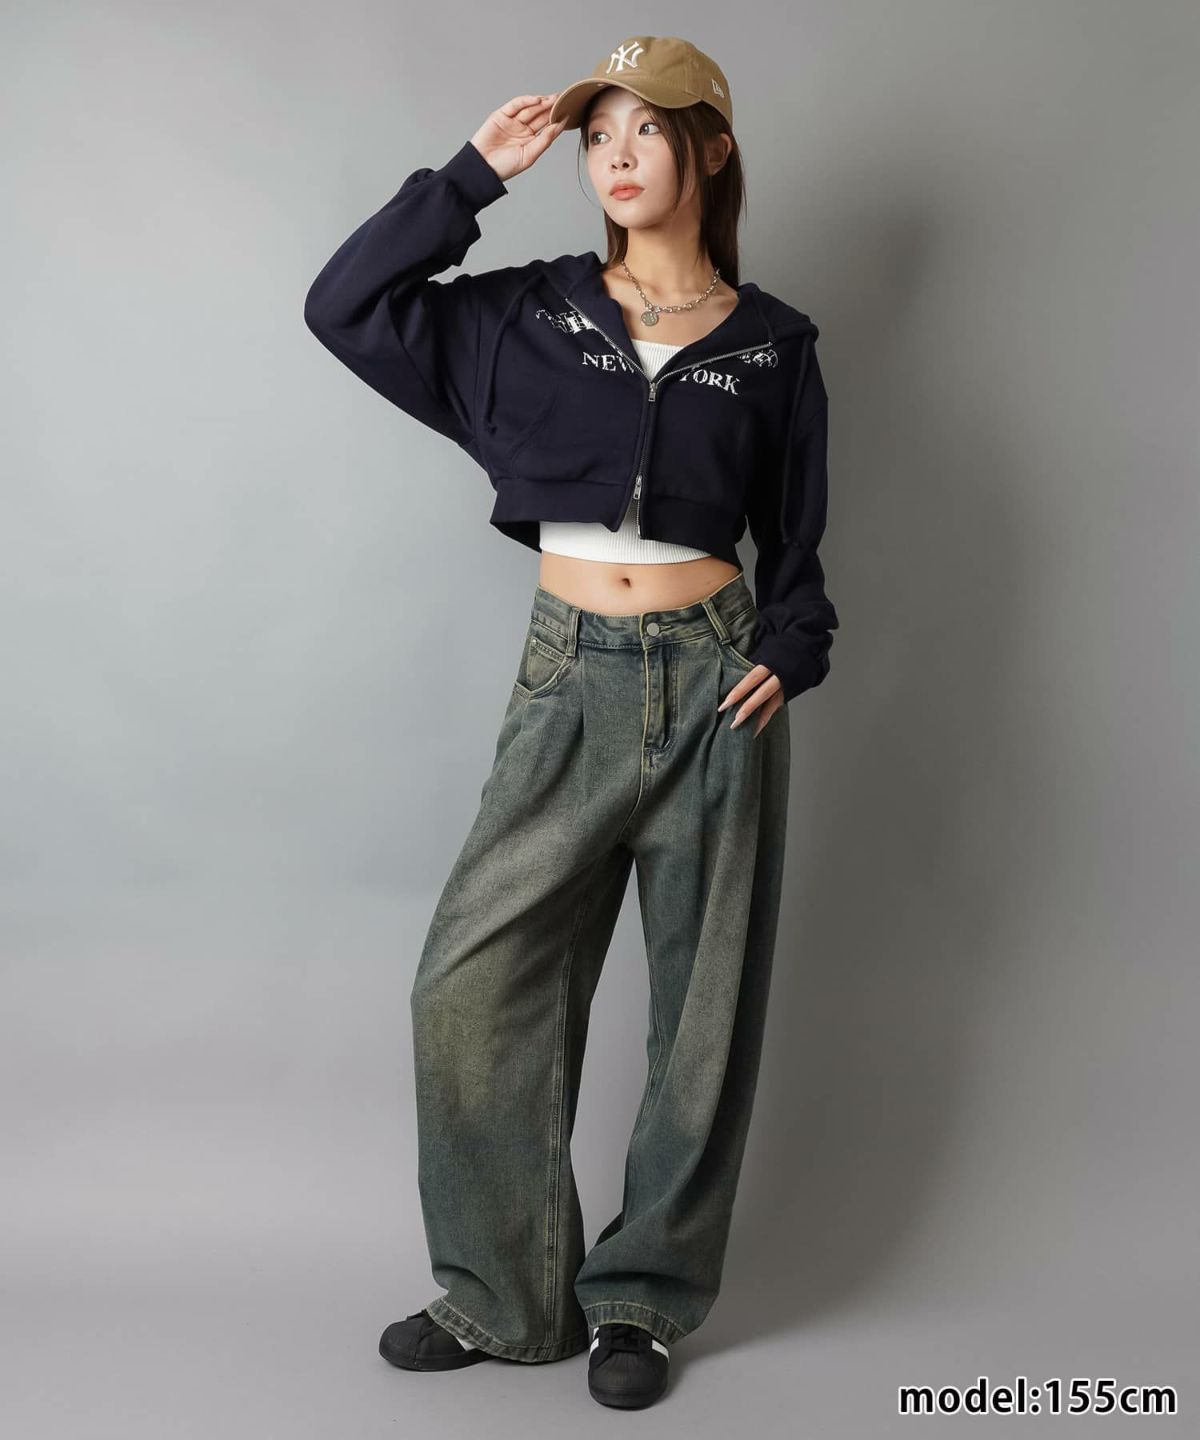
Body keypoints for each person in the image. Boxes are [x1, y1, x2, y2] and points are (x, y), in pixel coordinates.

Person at [303, 34, 839, 1410]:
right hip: (569, 678)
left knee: (702, 1013)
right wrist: (471, 176)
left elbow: (798, 548)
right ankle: (503, 1294)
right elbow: (344, 304)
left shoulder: (774, 345)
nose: (615, 154)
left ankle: (642, 1303)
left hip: (718, 687)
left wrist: (791, 649)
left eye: (648, 128)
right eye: (599, 133)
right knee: (472, 985)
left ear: (711, 150)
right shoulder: (528, 315)